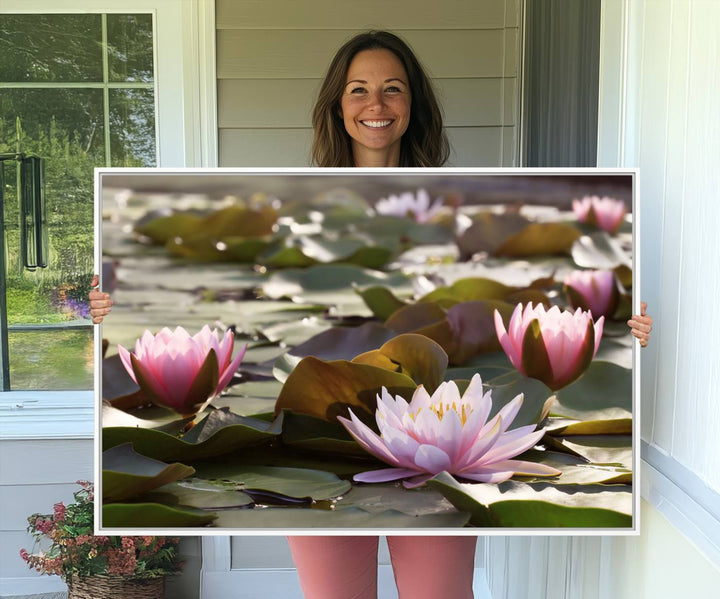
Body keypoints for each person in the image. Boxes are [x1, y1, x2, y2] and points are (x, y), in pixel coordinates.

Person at [89, 30, 653, 599]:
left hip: (442, 437)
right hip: (322, 430)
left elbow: (515, 305)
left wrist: (627, 332)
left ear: (413, 106)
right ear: (338, 105)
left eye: (392, 90)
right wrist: (109, 314)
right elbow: (238, 314)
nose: (376, 105)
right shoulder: (290, 215)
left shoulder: (462, 218)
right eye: (358, 90)